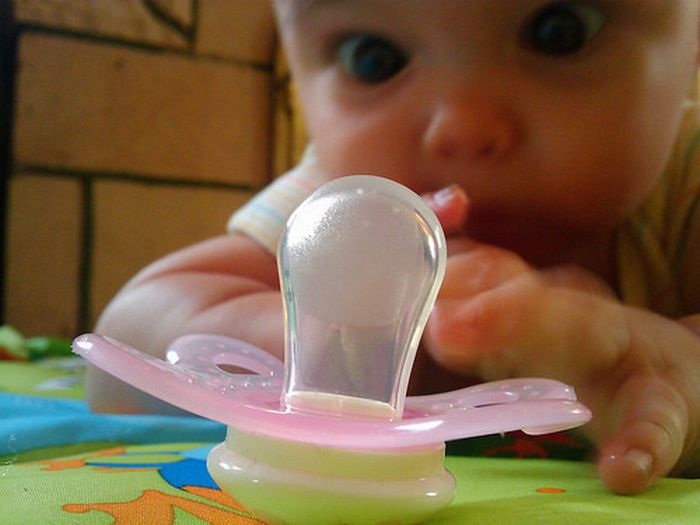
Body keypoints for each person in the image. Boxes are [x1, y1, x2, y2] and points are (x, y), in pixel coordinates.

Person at [87, 0, 700, 495]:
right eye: (373, 58)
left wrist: (672, 362)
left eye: (559, 32)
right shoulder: (341, 208)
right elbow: (126, 342)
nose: (461, 127)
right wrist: (349, 339)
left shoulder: (687, 181)